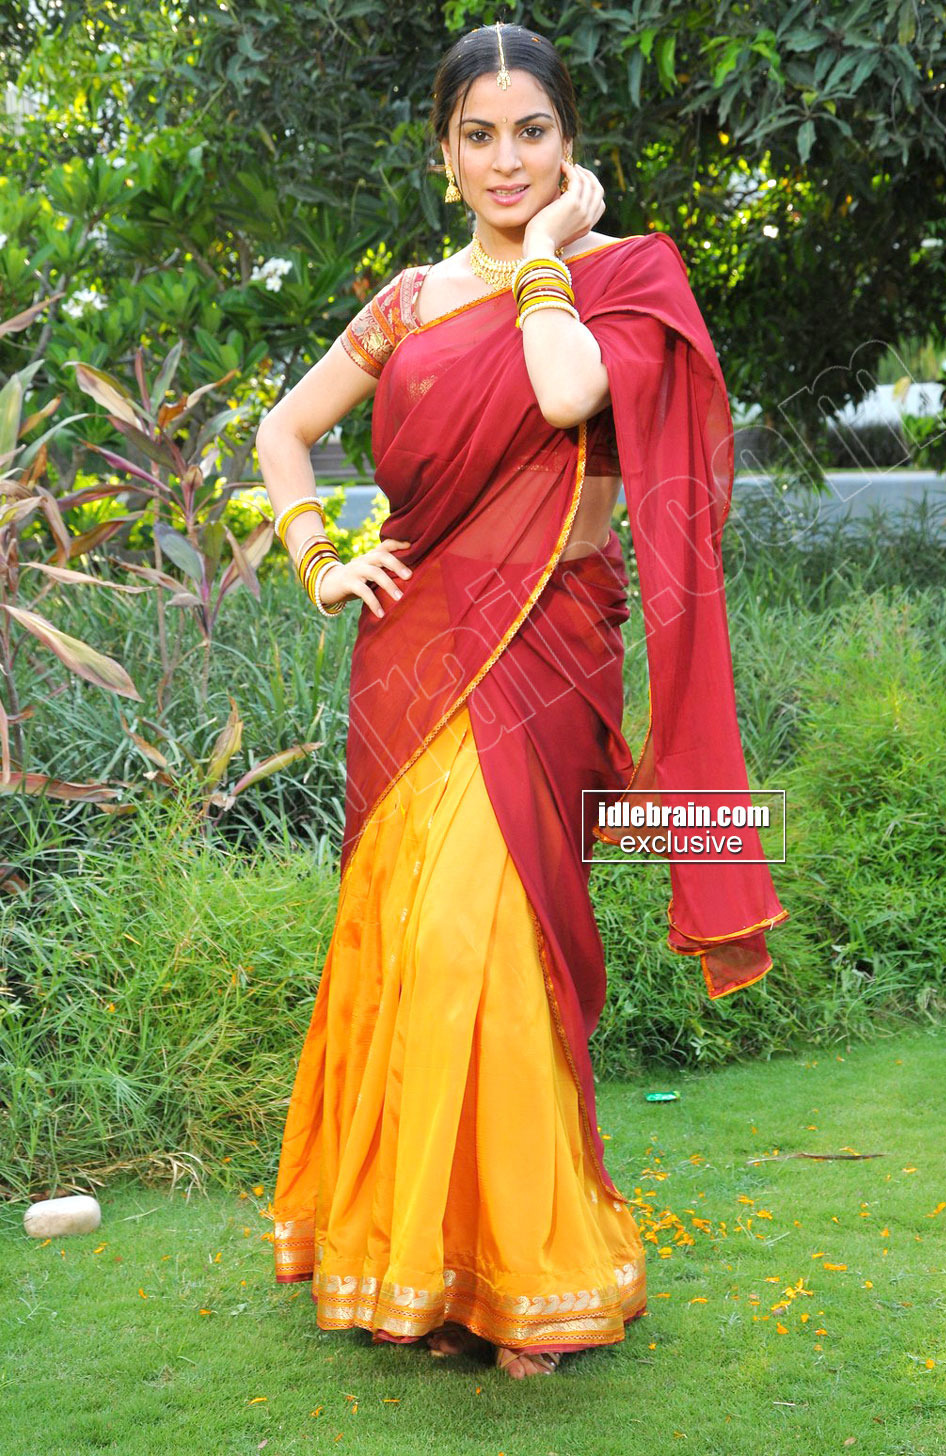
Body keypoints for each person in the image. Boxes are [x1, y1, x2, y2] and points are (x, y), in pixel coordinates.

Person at [255, 22, 787, 1380]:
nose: (506, 160)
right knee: (411, 941)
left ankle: (528, 1271)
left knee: (493, 943)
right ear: (443, 157)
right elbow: (282, 430)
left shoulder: (626, 275)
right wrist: (320, 556)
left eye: (531, 133)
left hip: (548, 648)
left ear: (568, 144)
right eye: (478, 137)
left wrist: (545, 250)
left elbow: (562, 394)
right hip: (413, 651)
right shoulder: (410, 302)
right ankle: (436, 1268)